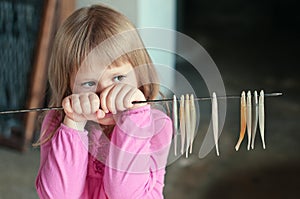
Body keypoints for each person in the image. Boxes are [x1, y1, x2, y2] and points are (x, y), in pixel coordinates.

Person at [35, 4, 173, 199]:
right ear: (68, 86)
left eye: (118, 78)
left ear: (139, 74)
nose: (105, 94)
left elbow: (125, 194)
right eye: (89, 83)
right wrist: (73, 123)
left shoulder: (158, 126)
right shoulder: (56, 122)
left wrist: (134, 118)